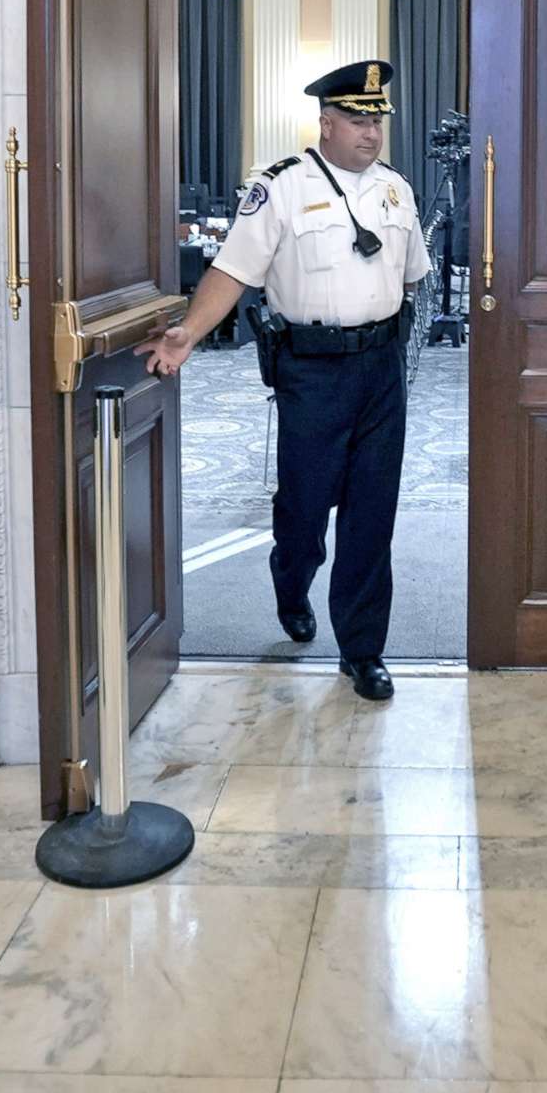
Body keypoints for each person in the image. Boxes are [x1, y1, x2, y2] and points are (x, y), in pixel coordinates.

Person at [138, 59, 429, 702]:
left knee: (371, 513)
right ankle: (290, 580)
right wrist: (189, 330)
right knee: (305, 506)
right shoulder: (280, 187)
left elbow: (410, 279)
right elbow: (233, 270)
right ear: (325, 123)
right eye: (357, 121)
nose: (371, 133)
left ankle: (362, 649)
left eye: (377, 121)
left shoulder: (397, 191)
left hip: (380, 367)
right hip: (311, 369)